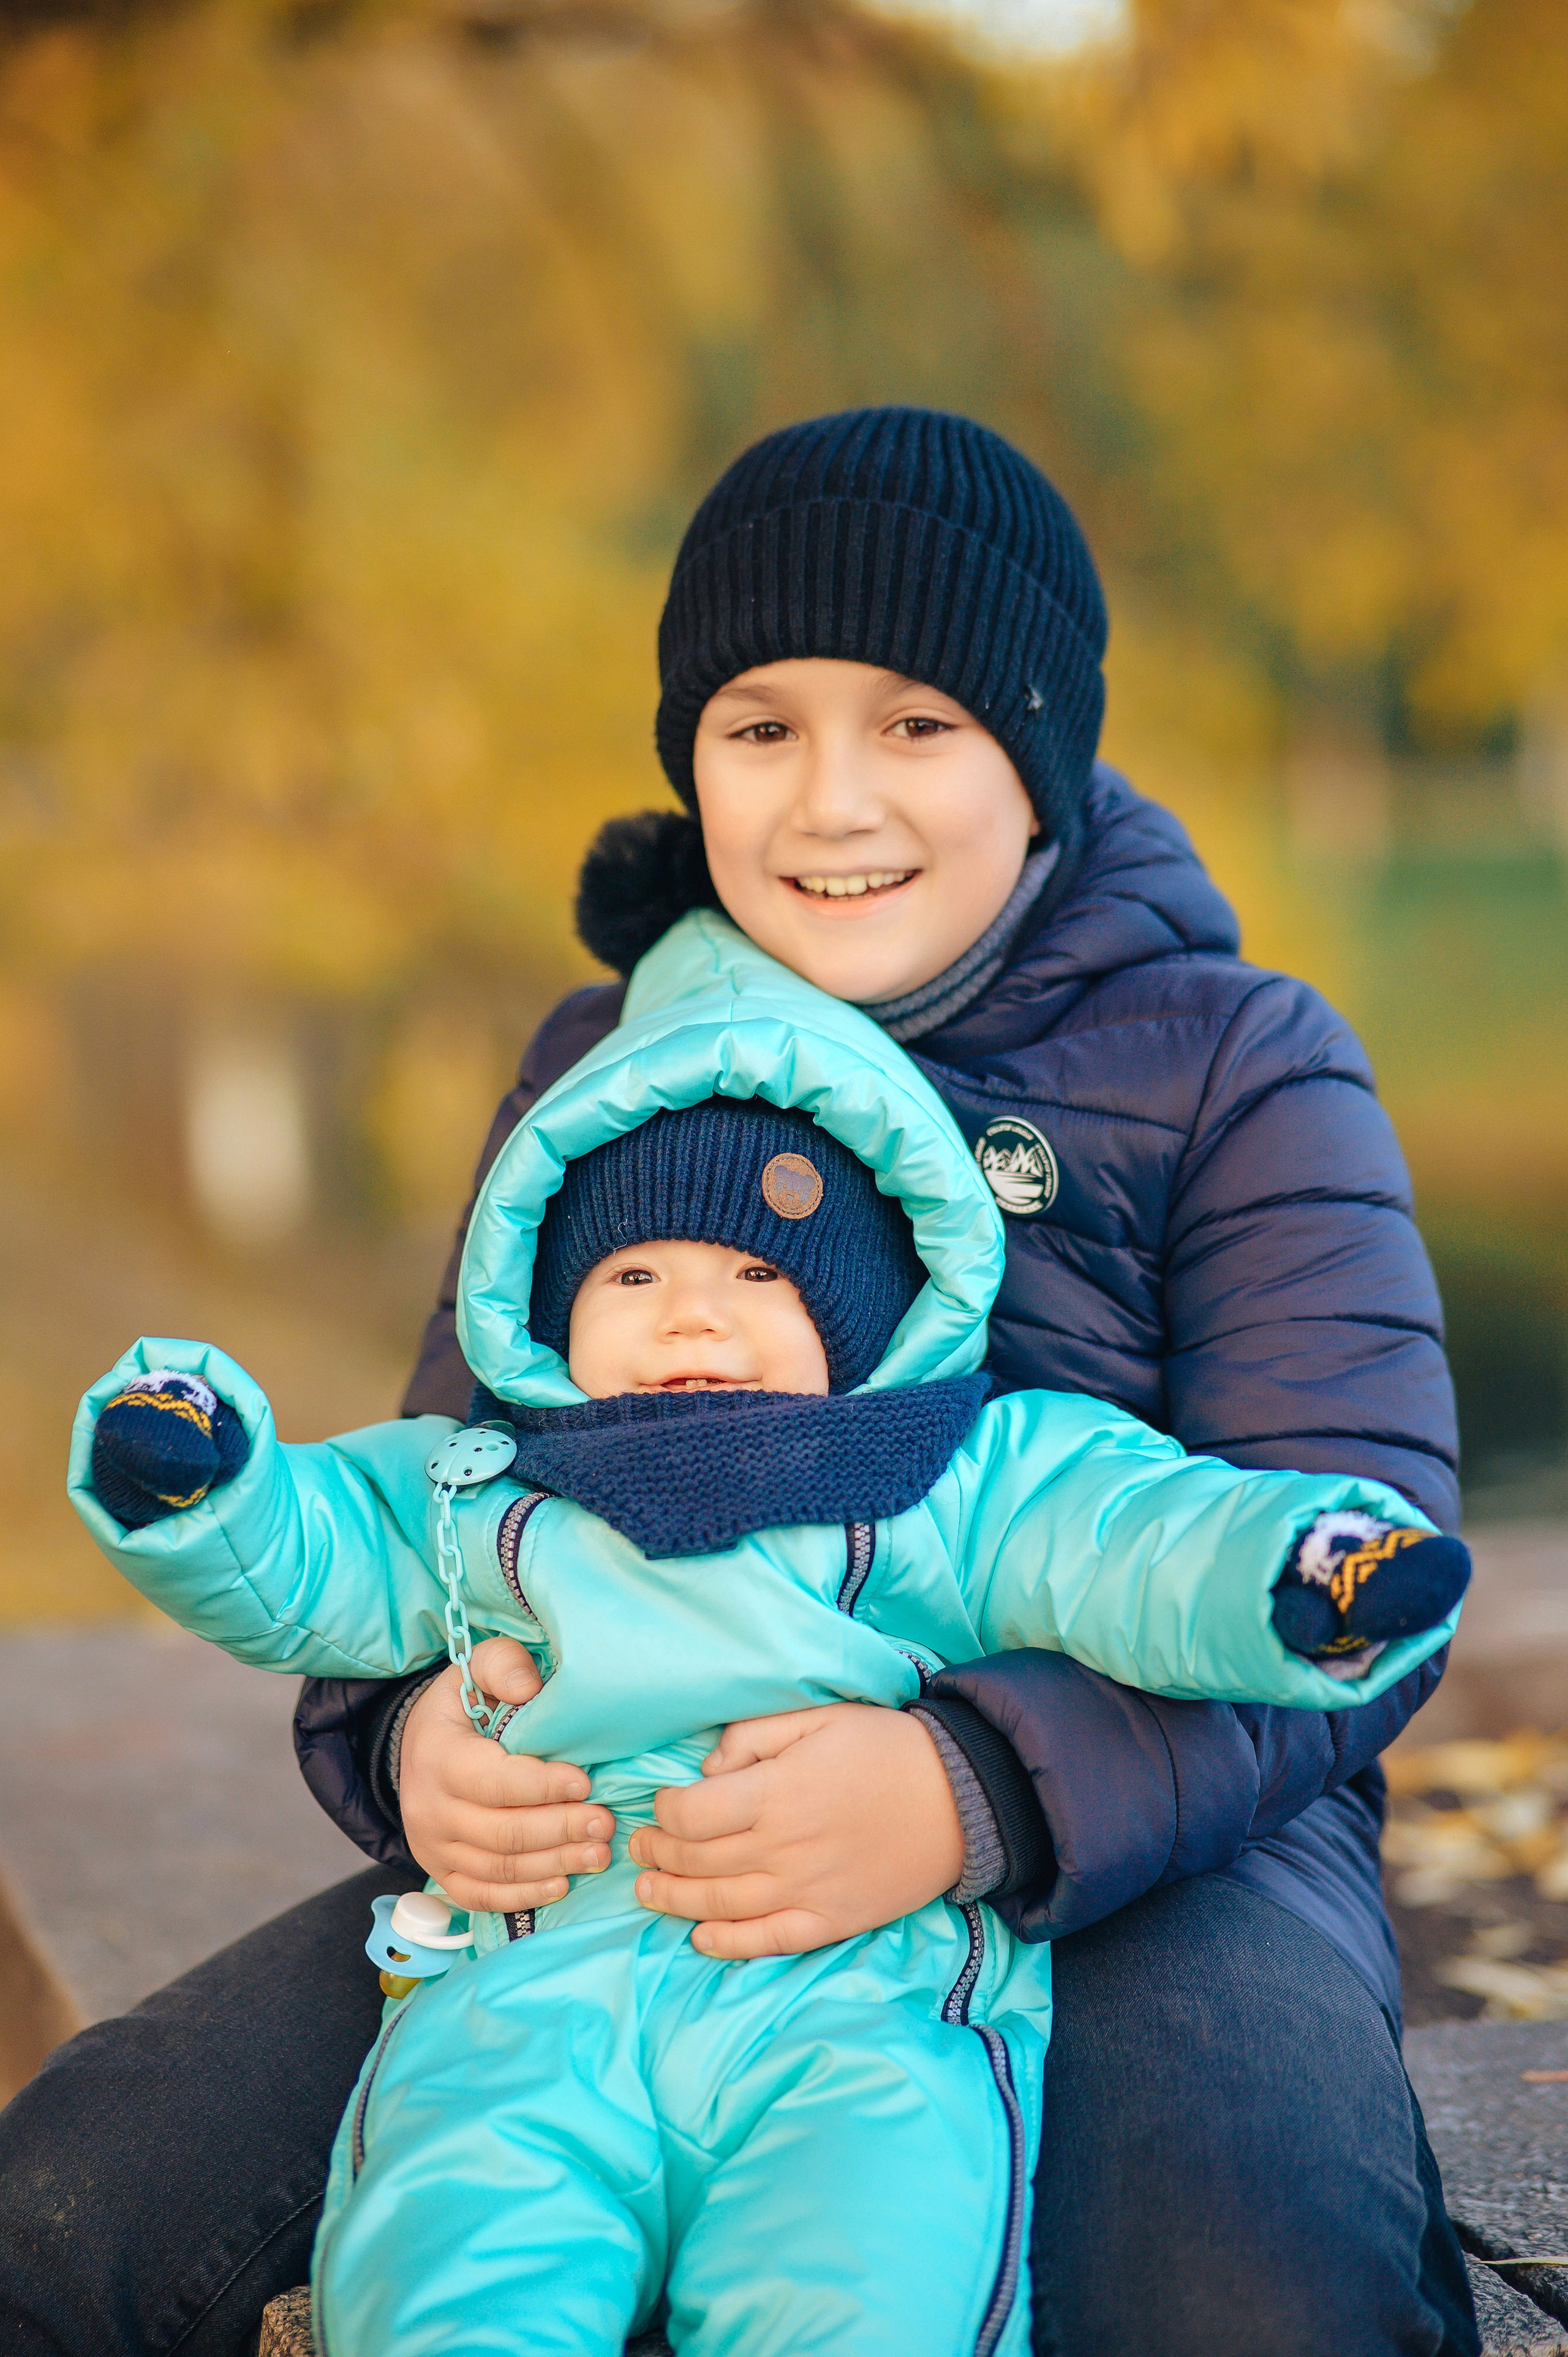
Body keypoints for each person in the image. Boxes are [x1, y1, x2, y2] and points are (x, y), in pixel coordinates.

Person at [0, 408, 1478, 2357]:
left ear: (1038, 752)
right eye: (761, 726)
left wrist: (971, 1790)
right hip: (628, 1841)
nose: (832, 803)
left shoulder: (1238, 1065)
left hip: (1158, 1844)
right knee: (76, 2203)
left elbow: (1360, 1578)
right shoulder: (605, 1059)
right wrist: (412, 1733)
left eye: (918, 724)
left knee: (1242, 2290)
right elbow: (455, 1483)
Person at [71, 924, 1465, 2357]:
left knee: (861, 2270)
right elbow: (322, 1545)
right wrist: (209, 1495)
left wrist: (1299, 1566)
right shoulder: (489, 1480)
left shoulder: (946, 1473)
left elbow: (1130, 1535)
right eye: (630, 1279)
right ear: (546, 1314)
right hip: (538, 1976)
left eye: (754, 1275)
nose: (690, 1317)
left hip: (853, 1984)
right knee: (452, 2259)